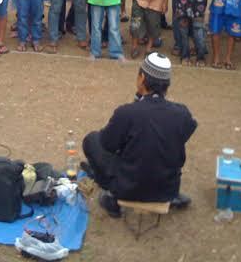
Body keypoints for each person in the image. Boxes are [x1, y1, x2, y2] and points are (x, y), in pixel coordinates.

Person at [81, 52, 196, 217]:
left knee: (91, 140)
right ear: (167, 84)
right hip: (167, 188)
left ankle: (112, 197)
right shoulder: (182, 113)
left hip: (128, 188)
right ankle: (172, 196)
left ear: (142, 78)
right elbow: (181, 133)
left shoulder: (126, 113)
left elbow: (107, 144)